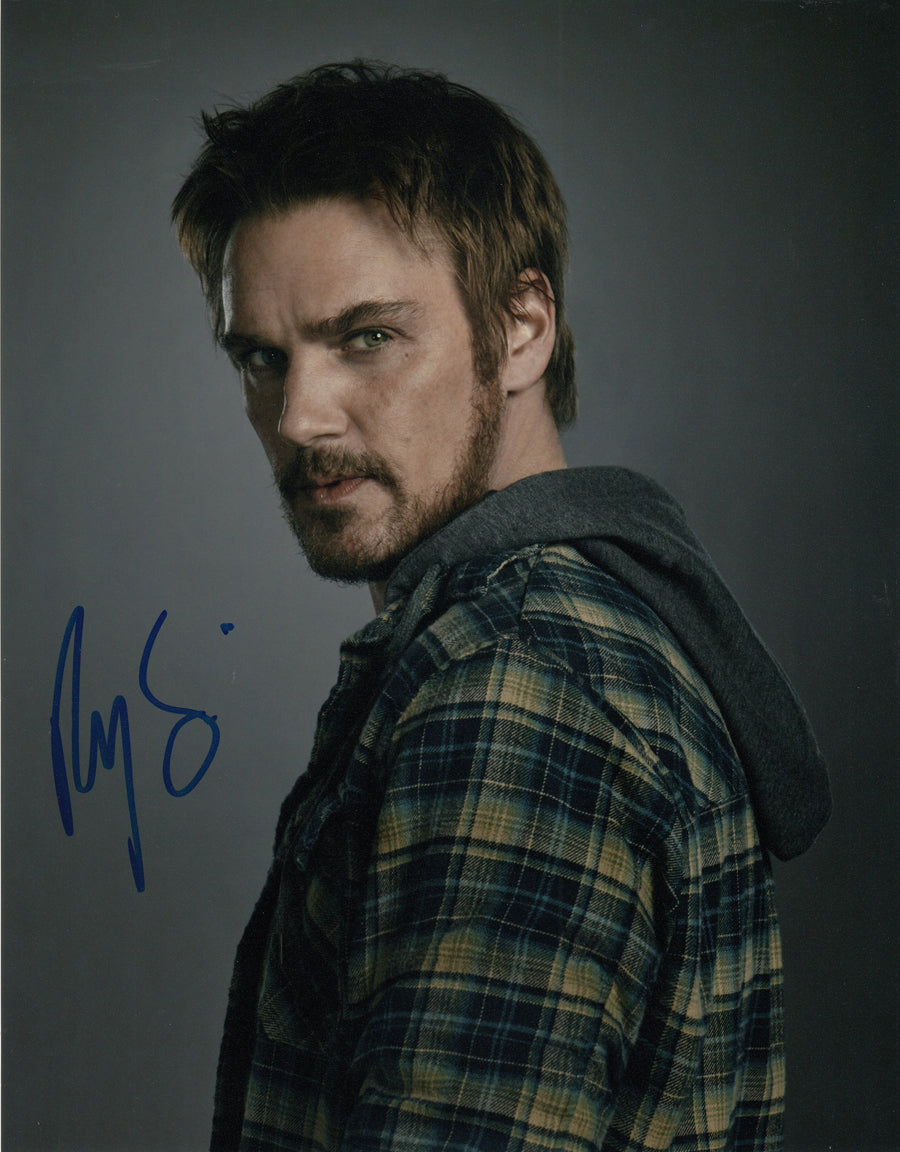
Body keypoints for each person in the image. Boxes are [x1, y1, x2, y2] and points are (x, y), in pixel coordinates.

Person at [173, 61, 831, 1152]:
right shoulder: (565, 631)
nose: (299, 417)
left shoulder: (516, 682)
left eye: (367, 337)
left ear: (523, 326)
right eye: (262, 357)